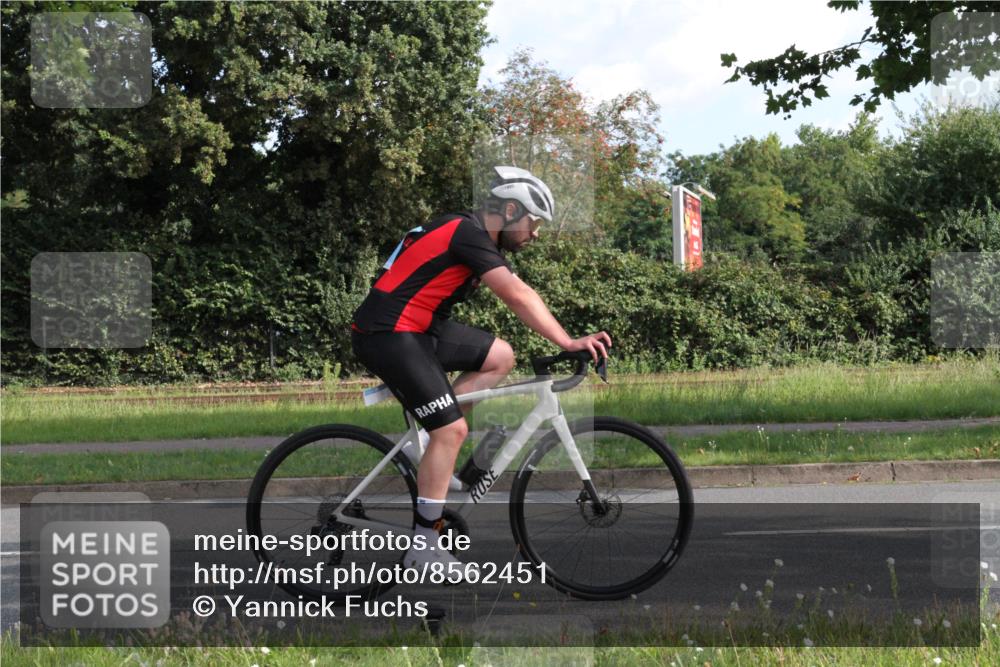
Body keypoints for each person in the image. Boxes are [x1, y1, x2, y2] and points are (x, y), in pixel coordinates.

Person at [350, 166, 612, 575]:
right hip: (389, 332)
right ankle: (424, 548)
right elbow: (517, 294)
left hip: (418, 328)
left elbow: (517, 290)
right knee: (452, 430)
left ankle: (432, 444)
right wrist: (567, 341)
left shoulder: (470, 232)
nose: (536, 233)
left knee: (500, 356)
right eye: (533, 222)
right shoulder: (467, 233)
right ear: (509, 210)